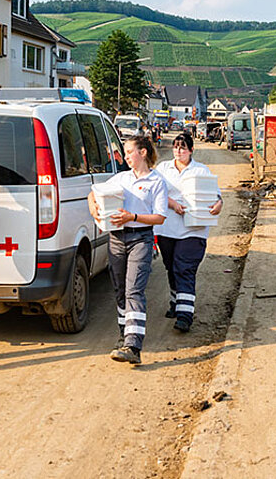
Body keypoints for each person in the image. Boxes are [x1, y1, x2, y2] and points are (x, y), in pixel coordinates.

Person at [88, 136, 167, 365]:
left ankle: (133, 345)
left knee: (134, 290)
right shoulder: (121, 178)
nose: (126, 156)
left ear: (142, 153)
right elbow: (93, 193)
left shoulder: (156, 182)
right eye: (125, 152)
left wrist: (132, 217)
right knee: (120, 288)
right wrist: (93, 207)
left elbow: (160, 217)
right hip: (116, 238)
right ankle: (124, 336)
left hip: (140, 238)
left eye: (130, 151)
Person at [155, 133, 223, 332]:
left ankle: (185, 314)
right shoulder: (162, 169)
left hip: (194, 228)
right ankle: (176, 301)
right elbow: (155, 194)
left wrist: (218, 205)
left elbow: (216, 195)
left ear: (191, 150)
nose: (179, 151)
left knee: (184, 267)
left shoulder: (201, 170)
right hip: (167, 227)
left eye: (183, 147)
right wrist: (172, 203)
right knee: (171, 266)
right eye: (176, 147)